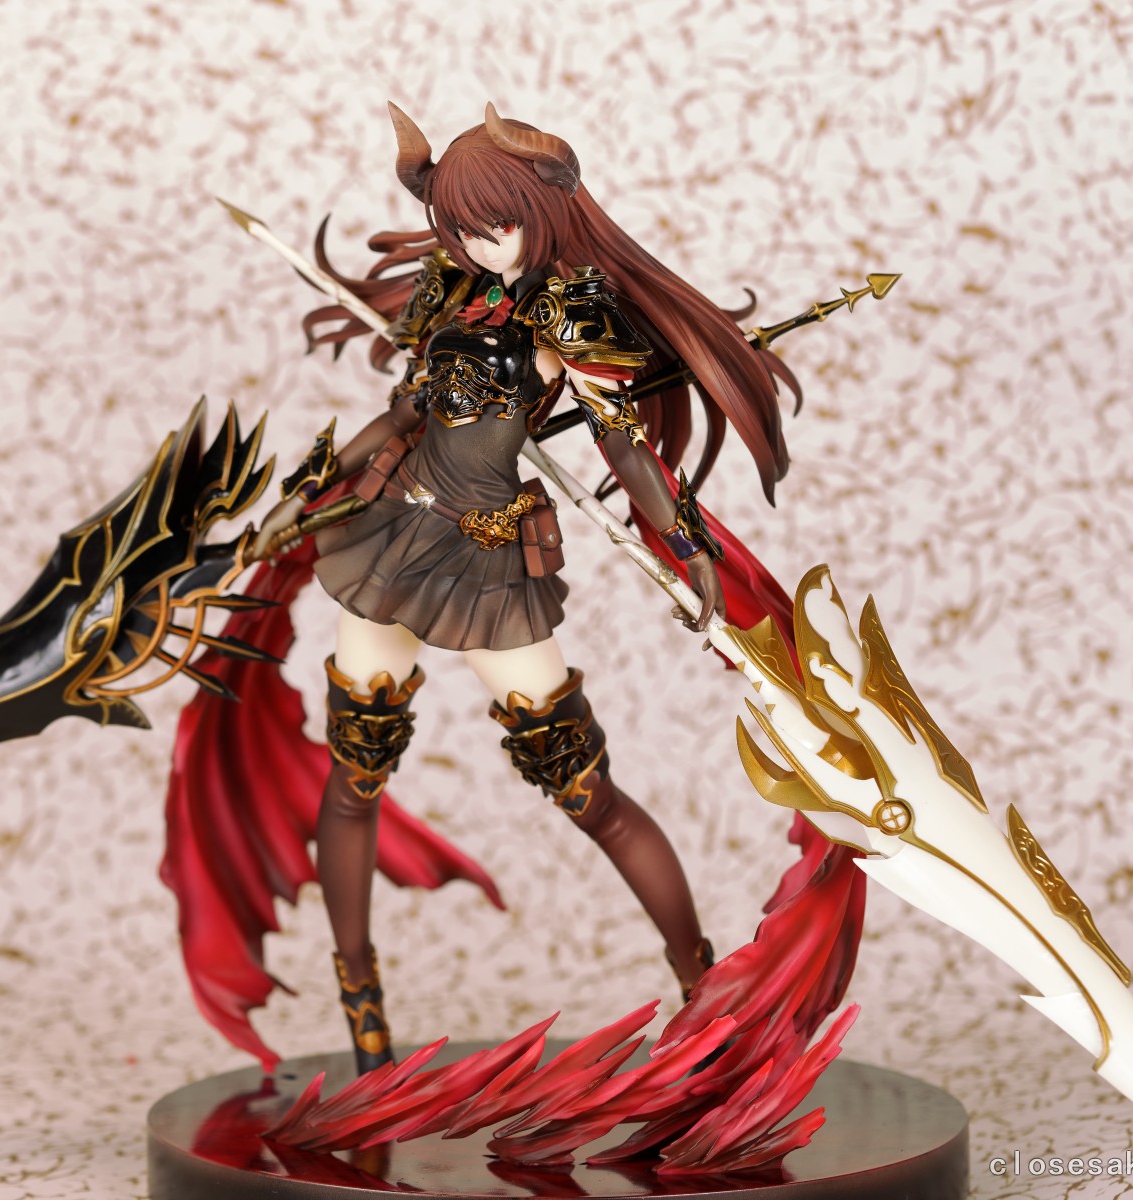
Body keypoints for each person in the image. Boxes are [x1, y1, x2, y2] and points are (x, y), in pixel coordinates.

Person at [236, 102, 804, 1074]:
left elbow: (627, 451)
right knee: (356, 773)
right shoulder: (449, 291)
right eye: (456, 225)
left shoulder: (571, 313)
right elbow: (404, 415)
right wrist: (303, 493)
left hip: (489, 562)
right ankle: (361, 1003)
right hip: (390, 537)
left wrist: (685, 542)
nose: (471, 244)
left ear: (542, 215)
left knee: (584, 790)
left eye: (488, 225)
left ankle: (704, 988)